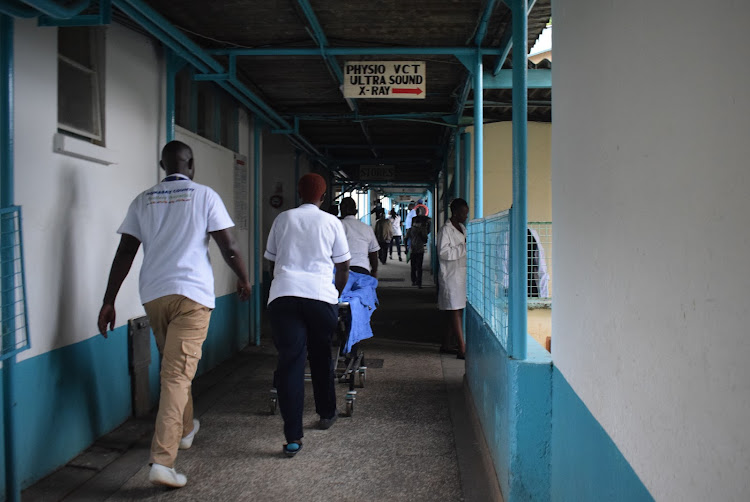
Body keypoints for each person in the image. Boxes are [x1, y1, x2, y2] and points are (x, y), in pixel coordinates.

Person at [97, 140, 251, 488]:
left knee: (174, 369)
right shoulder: (204, 196)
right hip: (193, 296)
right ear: (191, 163)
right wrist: (243, 277)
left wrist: (109, 300)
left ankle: (185, 427)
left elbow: (125, 252)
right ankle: (162, 462)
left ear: (163, 165)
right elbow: (228, 245)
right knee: (177, 376)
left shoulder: (143, 200)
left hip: (154, 295)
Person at [264, 173, 351, 457]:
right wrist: (334, 295)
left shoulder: (283, 219)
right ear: (323, 196)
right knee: (320, 354)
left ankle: (293, 437)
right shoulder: (331, 222)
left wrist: (280, 284)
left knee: (290, 363)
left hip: (284, 296)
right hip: (320, 297)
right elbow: (343, 266)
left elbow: (271, 262)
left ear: (298, 193)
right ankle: (326, 412)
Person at [437, 198, 470, 359]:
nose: (466, 216)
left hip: (460, 274)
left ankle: (446, 344)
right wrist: (464, 247)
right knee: (454, 309)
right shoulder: (445, 230)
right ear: (455, 213)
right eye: (463, 213)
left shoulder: (462, 228)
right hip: (450, 275)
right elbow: (444, 253)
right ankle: (462, 348)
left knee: (454, 309)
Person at [339, 197, 379, 277]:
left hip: (341, 269)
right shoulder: (367, 228)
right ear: (355, 210)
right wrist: (374, 271)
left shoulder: (337, 226)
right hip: (362, 268)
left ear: (341, 210)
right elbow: (373, 253)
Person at [408, 206, 431, 288]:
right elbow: (425, 239)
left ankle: (414, 280)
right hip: (420, 249)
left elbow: (407, 237)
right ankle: (419, 283)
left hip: (413, 249)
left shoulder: (411, 229)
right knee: (419, 267)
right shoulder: (425, 223)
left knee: (413, 266)